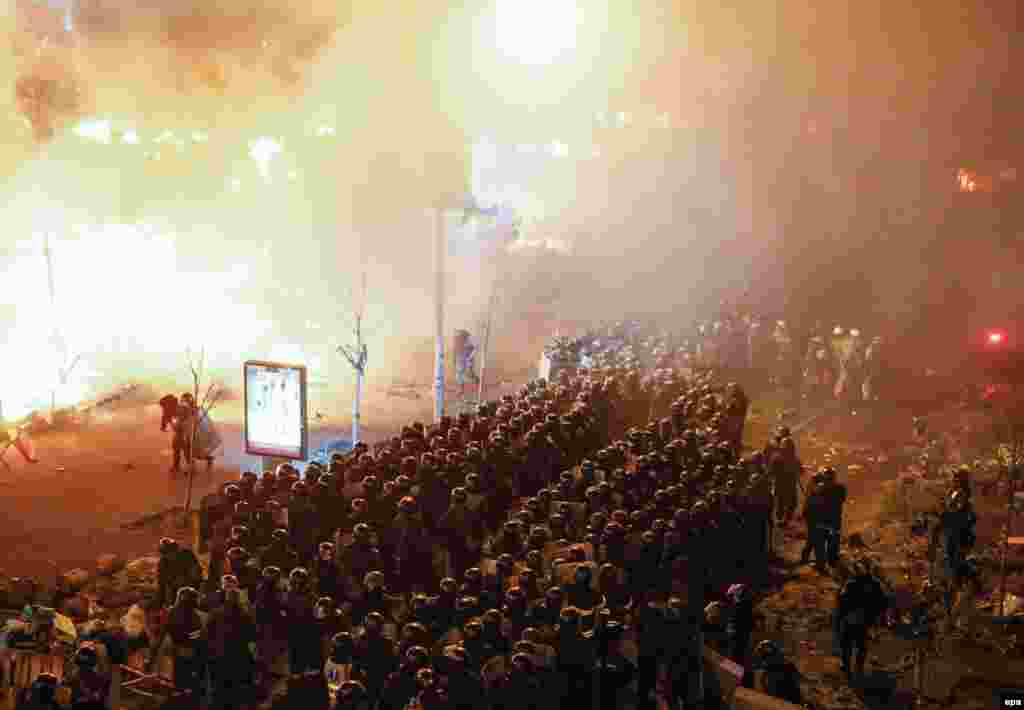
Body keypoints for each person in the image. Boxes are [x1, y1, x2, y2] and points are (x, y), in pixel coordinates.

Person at [170, 392, 196, 474]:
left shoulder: (188, 410)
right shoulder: (181, 408)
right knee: (176, 449)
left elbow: (187, 422)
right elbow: (176, 419)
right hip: (179, 433)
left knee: (186, 452)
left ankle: (191, 468)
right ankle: (176, 466)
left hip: (185, 433)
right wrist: (174, 423)